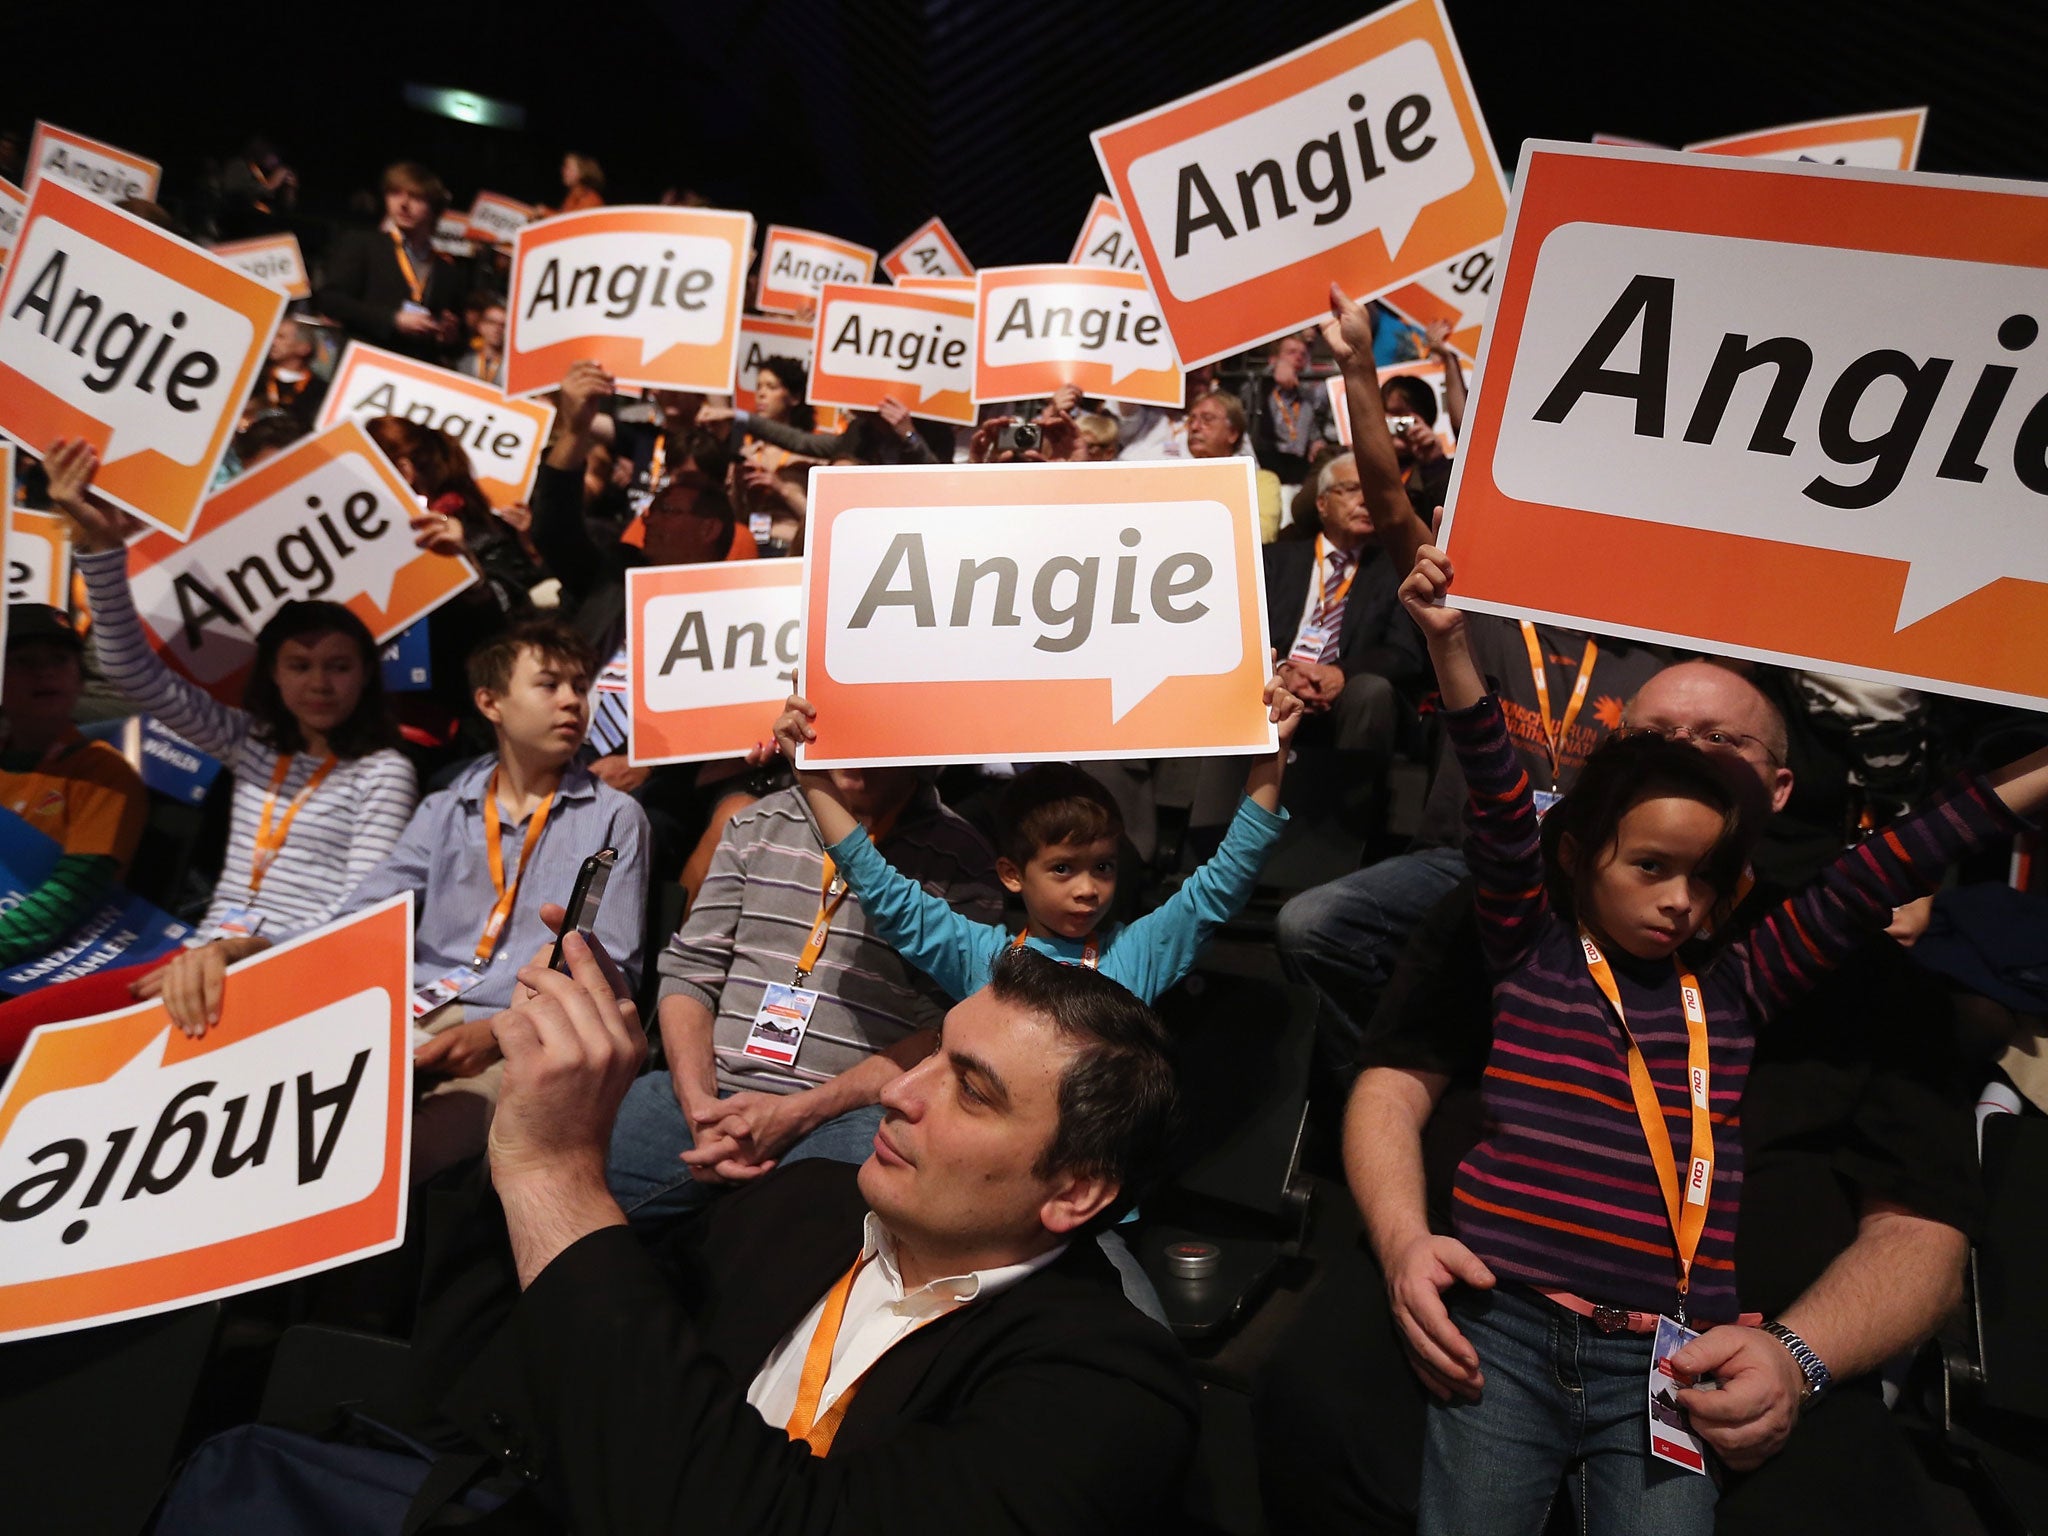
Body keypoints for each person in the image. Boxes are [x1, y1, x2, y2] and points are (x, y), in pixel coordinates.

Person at [1387, 541, 2046, 1534]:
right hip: (1503, 1332)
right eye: (1648, 866)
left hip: (1672, 1361)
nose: (1676, 903)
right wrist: (1446, 646)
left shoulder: (1737, 982)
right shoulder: (1525, 943)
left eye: (1703, 881)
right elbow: (1492, 788)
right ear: (1577, 851)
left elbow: (1896, 859)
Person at [155, 944, 1197, 1534]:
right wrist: (498, 1146)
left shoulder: (1107, 1390)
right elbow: (504, 1390)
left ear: (1072, 1190)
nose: (899, 1087)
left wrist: (564, 1174)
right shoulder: (800, 1205)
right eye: (930, 1054)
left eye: (968, 1088)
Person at [1275, 286, 1666, 1070]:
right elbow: (1389, 505)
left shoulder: (1653, 652)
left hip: (1587, 876)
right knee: (1311, 926)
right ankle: (1395, 1074)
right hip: (1462, 858)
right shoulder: (1488, 605)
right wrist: (1357, 367)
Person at [158, 619, 652, 1182]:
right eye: (549, 685)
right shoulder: (442, 809)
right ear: (490, 703)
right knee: (268, 1134)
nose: (572, 702)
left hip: (524, 1040)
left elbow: (609, 968)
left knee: (394, 1164)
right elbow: (361, 920)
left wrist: (494, 1033)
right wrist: (247, 948)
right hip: (407, 1016)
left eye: (579, 686)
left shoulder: (614, 816)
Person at [35, 438, 416, 1023]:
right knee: (25, 1027)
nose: (319, 683)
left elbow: (359, 918)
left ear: (366, 675)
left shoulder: (385, 769)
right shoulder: (252, 741)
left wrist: (248, 952)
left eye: (338, 667)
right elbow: (128, 670)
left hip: (288, 978)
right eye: (300, 665)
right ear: (273, 674)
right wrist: (103, 549)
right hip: (197, 956)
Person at [605, 761, 1003, 1229]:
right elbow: (692, 968)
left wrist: (798, 1113)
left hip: (849, 1114)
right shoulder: (755, 822)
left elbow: (943, 1029)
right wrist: (699, 1105)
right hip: (711, 1094)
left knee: (807, 1220)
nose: (858, 755)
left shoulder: (962, 854)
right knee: (587, 1178)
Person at [767, 677, 1300, 1006]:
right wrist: (807, 769)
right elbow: (873, 877)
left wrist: (1269, 752)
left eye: (1105, 868)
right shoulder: (979, 957)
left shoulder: (1136, 954)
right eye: (1064, 869)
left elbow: (1226, 878)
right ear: (1011, 874)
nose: (1089, 890)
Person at [1262, 450, 1425, 830]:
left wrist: (1340, 673)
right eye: (1352, 489)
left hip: (1350, 692)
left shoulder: (1395, 570)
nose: (1365, 500)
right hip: (1275, 678)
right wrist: (1283, 669)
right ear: (1322, 503)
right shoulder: (1276, 560)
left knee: (1371, 691)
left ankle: (1347, 833)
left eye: (1371, 491)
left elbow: (1405, 654)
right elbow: (1244, 633)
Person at [0, 605, 148, 966]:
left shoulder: (104, 772)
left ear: (80, 681)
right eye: (24, 661)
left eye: (60, 659)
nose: (46, 671)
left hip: (49, 962)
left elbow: (71, 896)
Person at [313, 161, 464, 360]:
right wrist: (392, 319)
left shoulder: (446, 270)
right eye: (394, 193)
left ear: (433, 207)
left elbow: (458, 344)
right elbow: (330, 300)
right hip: (365, 359)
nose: (403, 204)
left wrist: (450, 337)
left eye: (416, 197)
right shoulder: (363, 244)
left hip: (414, 370)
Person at [1241, 332, 1337, 488]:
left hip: (1298, 464)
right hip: (1266, 459)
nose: (1298, 357)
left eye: (1303, 354)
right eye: (1291, 352)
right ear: (1274, 358)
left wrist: (1316, 441)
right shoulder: (1261, 385)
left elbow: (1314, 426)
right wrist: (1273, 369)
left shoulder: (1307, 392)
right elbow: (1244, 397)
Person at [242, 317, 326, 430]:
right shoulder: (254, 374)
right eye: (273, 335)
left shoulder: (319, 390)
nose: (273, 342)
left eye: (281, 337)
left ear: (304, 348)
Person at [453, 297, 506, 384]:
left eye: (503, 325)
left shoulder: (513, 370)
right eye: (492, 322)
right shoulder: (462, 362)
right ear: (481, 326)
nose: (497, 329)